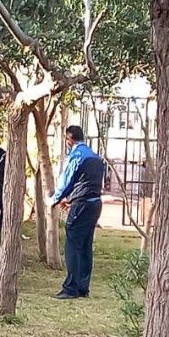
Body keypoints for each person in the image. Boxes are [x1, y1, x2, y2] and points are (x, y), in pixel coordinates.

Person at [51, 125, 105, 299]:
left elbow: (67, 180)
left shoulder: (77, 156)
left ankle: (70, 288)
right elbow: (87, 183)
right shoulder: (95, 157)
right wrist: (72, 198)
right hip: (94, 203)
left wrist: (55, 199)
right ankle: (83, 287)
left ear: (69, 139)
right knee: (86, 246)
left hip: (81, 206)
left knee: (73, 244)